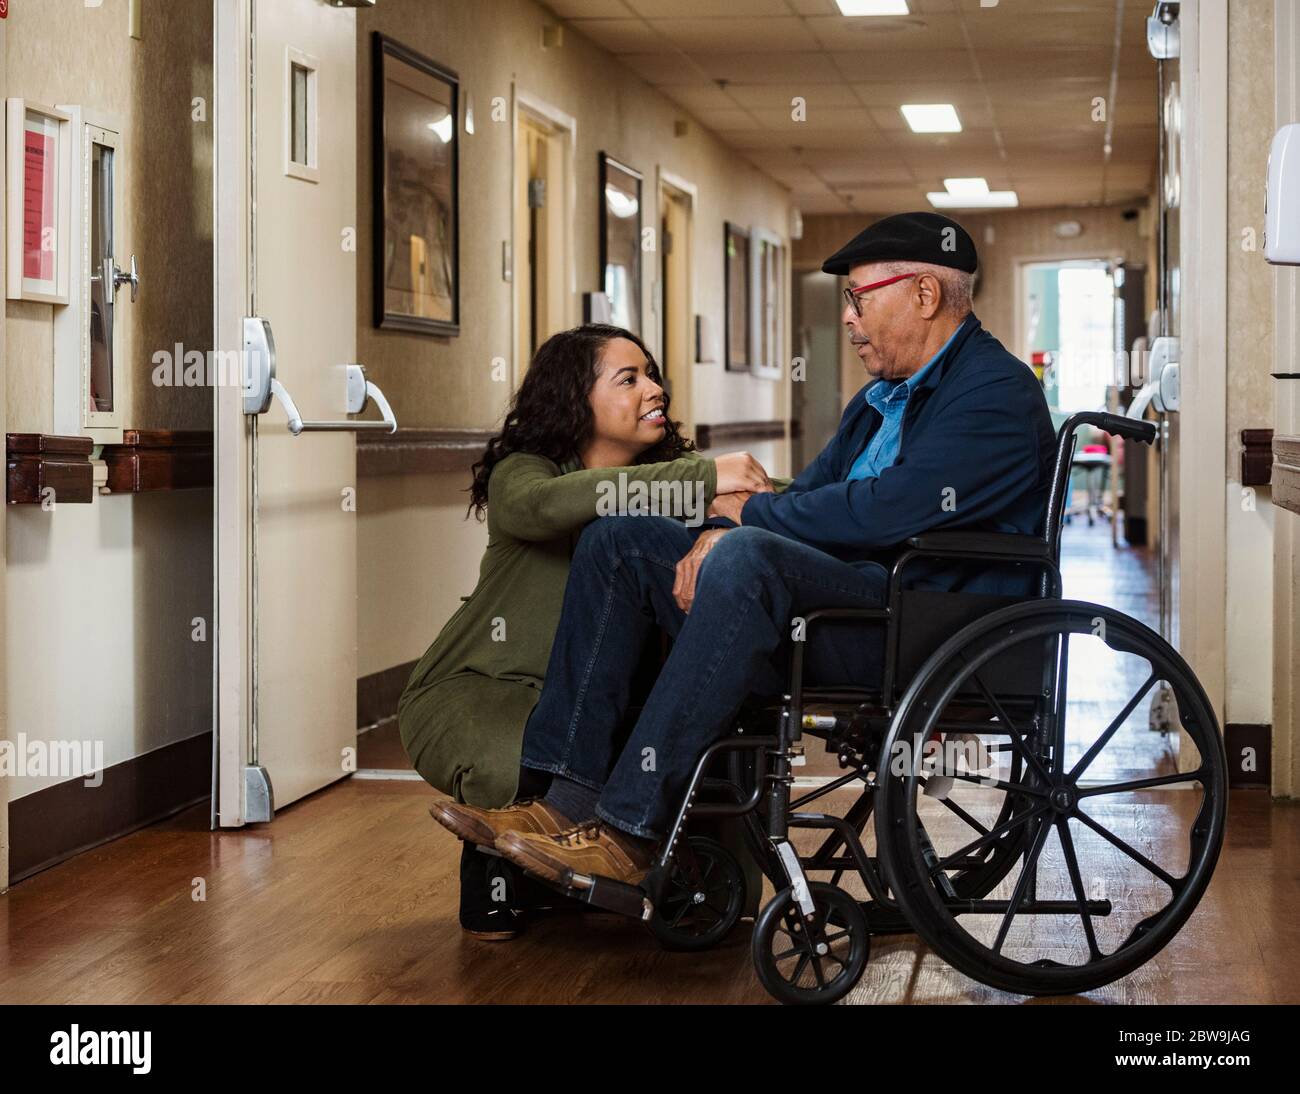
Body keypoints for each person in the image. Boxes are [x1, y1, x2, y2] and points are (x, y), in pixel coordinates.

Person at [430, 211, 1056, 892]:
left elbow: (885, 511)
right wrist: (719, 529)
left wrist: (744, 520)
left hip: (920, 622)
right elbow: (816, 491)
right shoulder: (881, 399)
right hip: (851, 603)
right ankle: (565, 804)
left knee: (750, 555)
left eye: (860, 297)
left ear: (925, 295)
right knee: (621, 538)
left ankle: (629, 830)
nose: (849, 318)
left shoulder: (993, 393)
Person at [399, 323, 771, 938]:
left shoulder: (671, 475)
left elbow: (774, 498)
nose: (655, 388)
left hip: (611, 694)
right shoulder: (524, 473)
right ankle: (495, 868)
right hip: (487, 688)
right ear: (576, 399)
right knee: (536, 751)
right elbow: (548, 505)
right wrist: (704, 481)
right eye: (629, 378)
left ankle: (615, 869)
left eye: (652, 373)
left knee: (690, 735)